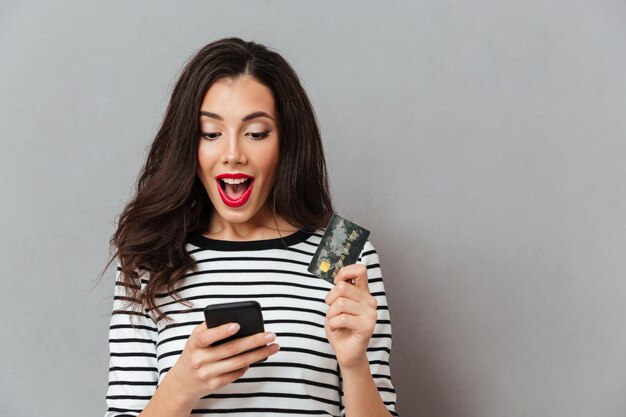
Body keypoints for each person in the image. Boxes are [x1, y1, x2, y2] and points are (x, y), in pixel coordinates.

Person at [103, 37, 399, 417]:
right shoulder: (151, 258)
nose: (232, 154)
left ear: (286, 141)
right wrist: (181, 387)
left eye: (256, 133)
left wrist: (356, 365)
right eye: (210, 134)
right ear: (188, 145)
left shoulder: (340, 248)